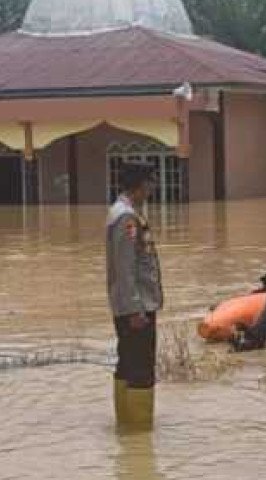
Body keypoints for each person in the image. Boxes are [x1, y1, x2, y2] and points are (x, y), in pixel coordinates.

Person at [106, 163, 163, 430]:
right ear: (139, 185)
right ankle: (140, 435)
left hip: (128, 305)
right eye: (150, 183)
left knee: (127, 364)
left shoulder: (120, 212)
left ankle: (126, 428)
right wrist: (135, 310)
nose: (152, 188)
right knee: (140, 369)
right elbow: (125, 267)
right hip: (136, 308)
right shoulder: (127, 218)